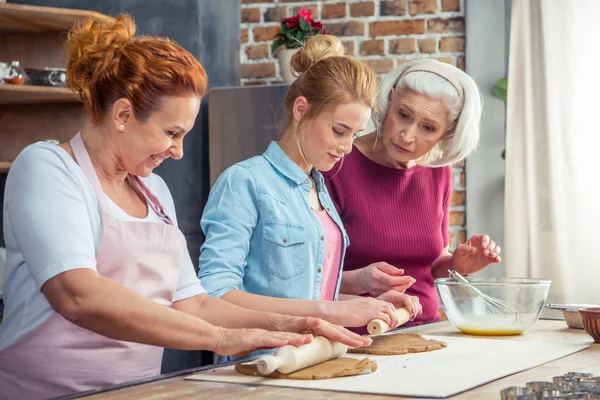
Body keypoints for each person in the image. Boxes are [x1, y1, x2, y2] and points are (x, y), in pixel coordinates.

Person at [0, 15, 367, 400]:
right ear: (123, 115)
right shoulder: (48, 167)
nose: (178, 152)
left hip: (135, 392)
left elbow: (194, 303)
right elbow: (78, 295)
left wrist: (296, 323)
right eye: (172, 133)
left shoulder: (154, 191)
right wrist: (223, 338)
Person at [199, 35, 422, 363]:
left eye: (354, 135)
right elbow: (215, 295)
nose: (347, 147)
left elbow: (303, 289)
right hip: (257, 368)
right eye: (339, 130)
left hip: (314, 361)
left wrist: (361, 294)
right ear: (301, 110)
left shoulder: (319, 187)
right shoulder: (243, 182)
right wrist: (330, 310)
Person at [323, 59, 502, 328]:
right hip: (356, 335)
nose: (406, 135)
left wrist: (458, 263)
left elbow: (430, 264)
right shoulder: (336, 165)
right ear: (390, 100)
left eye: (428, 127)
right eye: (403, 115)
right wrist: (361, 279)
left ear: (447, 132)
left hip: (427, 330)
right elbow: (309, 278)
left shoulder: (438, 173)